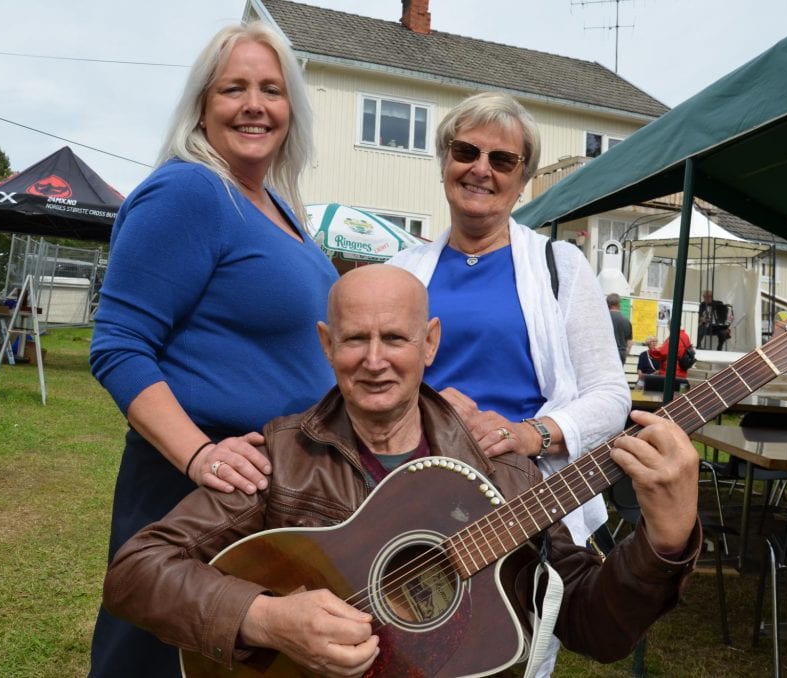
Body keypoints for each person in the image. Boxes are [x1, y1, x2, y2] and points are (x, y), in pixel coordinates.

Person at [102, 265, 702, 677]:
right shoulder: (282, 457)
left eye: (395, 337)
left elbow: (592, 627)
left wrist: (666, 541)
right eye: (354, 339)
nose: (374, 360)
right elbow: (136, 572)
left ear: (430, 343)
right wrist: (266, 619)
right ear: (325, 344)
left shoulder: (500, 466)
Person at [87, 22, 338, 676]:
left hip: (273, 490)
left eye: (271, 90)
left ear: (292, 108)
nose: (254, 105)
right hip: (191, 487)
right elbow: (119, 345)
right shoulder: (189, 191)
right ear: (202, 104)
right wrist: (198, 454)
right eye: (233, 89)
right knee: (157, 657)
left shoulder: (281, 206)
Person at [387, 92, 631, 567]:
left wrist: (528, 434)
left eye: (502, 160)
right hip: (406, 490)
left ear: (522, 182)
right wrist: (428, 408)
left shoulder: (560, 265)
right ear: (444, 164)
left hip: (520, 500)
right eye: (466, 152)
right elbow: (362, 381)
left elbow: (609, 395)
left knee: (511, 631)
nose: (481, 169)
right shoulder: (402, 271)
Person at [607, 292, 633, 364]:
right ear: (619, 304)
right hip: (620, 354)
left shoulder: (604, 319)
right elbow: (629, 342)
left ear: (607, 304)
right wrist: (625, 353)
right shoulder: (626, 321)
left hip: (606, 353)